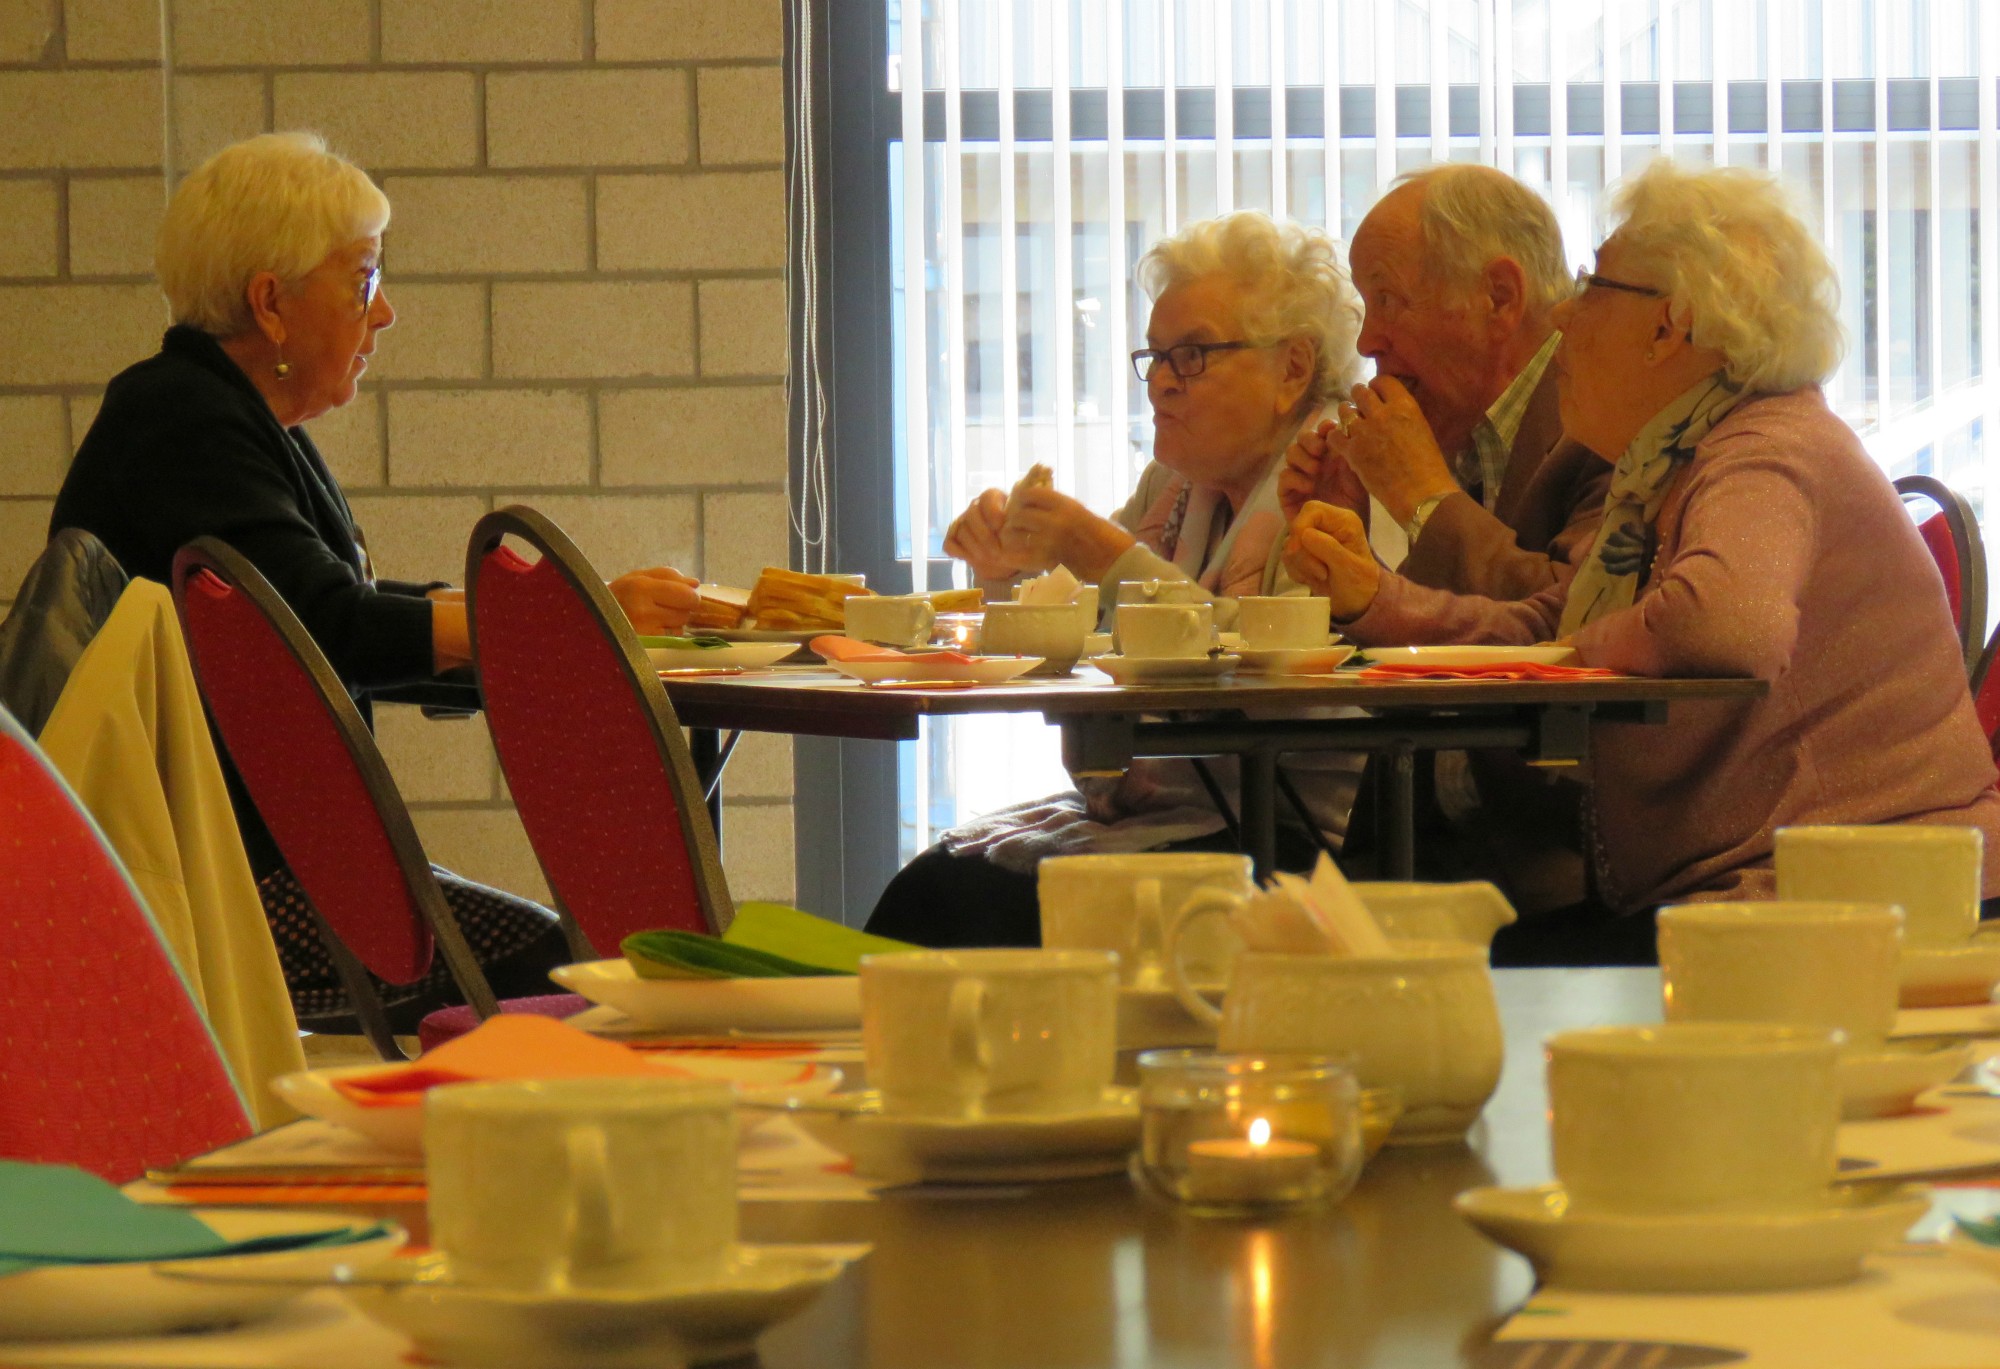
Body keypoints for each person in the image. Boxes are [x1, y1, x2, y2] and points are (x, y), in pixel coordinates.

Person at [50, 132, 701, 1025]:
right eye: (363, 280)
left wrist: (535, 627)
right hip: (225, 882)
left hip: (250, 858)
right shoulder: (182, 422)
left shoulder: (216, 411)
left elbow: (342, 607)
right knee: (573, 972)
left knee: (569, 958)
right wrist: (560, 623)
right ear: (271, 304)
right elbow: (324, 623)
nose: (385, 310)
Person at [1284, 158, 2000, 964]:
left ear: (1671, 326)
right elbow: (1548, 622)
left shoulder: (1767, 448)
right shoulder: (1670, 462)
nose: (1561, 320)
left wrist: (1579, 655)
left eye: (1592, 287)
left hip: (1854, 895)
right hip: (1768, 884)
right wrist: (1376, 597)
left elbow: (1725, 624)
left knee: (1441, 978)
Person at [866, 211, 1365, 946]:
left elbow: (1277, 686)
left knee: (965, 908)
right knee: (931, 888)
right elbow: (1078, 640)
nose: (1160, 384)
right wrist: (1007, 576)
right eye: (1155, 356)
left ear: (1292, 369)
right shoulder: (1175, 486)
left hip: (1289, 832)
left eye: (1192, 356)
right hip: (1175, 809)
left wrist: (1096, 553)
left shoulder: (1337, 475)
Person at [1279, 164, 1609, 904]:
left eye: (1388, 299)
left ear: (1499, 296)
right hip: (1437, 839)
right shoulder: (1465, 427)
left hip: (1559, 859)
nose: (1367, 341)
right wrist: (1353, 553)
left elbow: (1576, 623)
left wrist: (1425, 498)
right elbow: (1453, 636)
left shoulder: (1603, 412)